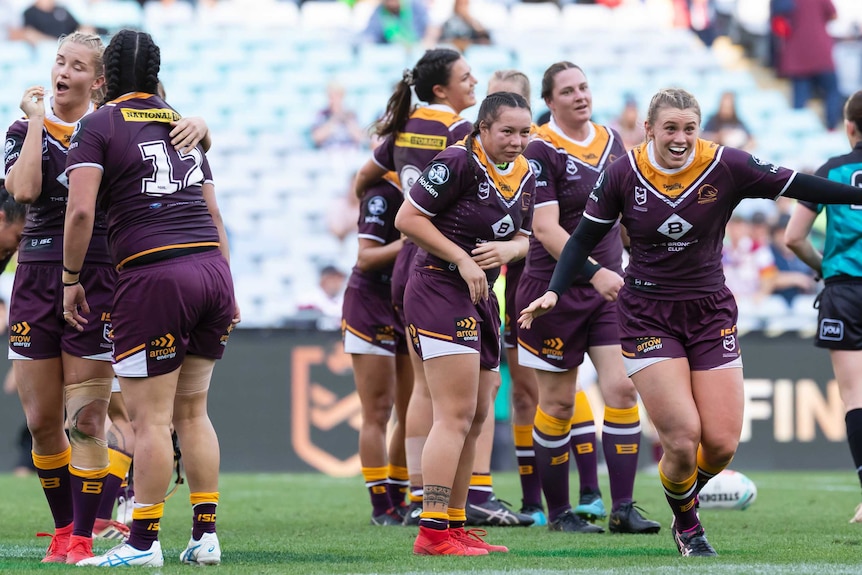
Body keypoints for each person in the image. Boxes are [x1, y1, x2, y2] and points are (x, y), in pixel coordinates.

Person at [519, 87, 862, 557]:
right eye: (670, 129)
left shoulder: (726, 164)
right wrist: (555, 290)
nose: (680, 138)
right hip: (646, 314)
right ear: (650, 130)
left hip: (710, 312)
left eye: (688, 128)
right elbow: (580, 240)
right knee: (682, 439)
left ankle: (684, 494)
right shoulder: (624, 172)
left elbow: (801, 184)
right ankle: (688, 524)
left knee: (719, 445)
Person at [63, 29, 237, 567]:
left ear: (105, 79)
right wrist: (227, 283)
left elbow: (81, 212)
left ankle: (142, 544)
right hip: (212, 269)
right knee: (193, 413)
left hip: (155, 275)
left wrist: (71, 278)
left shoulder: (98, 124)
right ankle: (205, 536)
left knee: (150, 421)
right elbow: (213, 213)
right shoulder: (181, 122)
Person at [516, 61, 659, 535]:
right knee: (556, 404)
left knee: (621, 387)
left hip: (608, 289)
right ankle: (559, 513)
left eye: (584, 87)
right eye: (568, 91)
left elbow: (624, 213)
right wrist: (596, 271)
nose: (580, 95)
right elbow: (544, 228)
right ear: (550, 101)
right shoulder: (541, 147)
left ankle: (622, 507)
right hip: (553, 292)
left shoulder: (611, 139)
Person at [5, 31, 128, 565]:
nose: (62, 72)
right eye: (59, 61)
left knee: (87, 417)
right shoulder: (20, 128)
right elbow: (25, 191)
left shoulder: (107, 128)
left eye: (76, 66)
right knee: (40, 420)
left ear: (97, 81)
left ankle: (81, 534)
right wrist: (35, 122)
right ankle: (63, 529)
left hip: (95, 273)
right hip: (33, 272)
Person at [396, 91, 535, 555]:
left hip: (479, 298)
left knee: (476, 415)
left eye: (524, 132)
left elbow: (524, 239)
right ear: (482, 129)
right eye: (507, 132)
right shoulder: (456, 161)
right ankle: (432, 531)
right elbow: (407, 218)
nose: (517, 141)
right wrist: (461, 257)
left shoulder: (526, 173)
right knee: (454, 414)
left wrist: (511, 251)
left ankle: (454, 525)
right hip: (438, 287)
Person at [784, 89, 862, 522]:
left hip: (846, 291)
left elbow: (793, 237)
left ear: (849, 126)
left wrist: (823, 268)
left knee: (855, 395)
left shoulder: (832, 170)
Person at [485, 69, 545, 527]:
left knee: (544, 393)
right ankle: (513, 496)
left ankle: (555, 495)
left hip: (540, 287)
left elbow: (541, 228)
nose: (516, 137)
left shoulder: (537, 157)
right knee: (510, 395)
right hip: (495, 290)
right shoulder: (463, 154)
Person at [342, 172, 411, 525]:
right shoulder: (382, 193)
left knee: (411, 409)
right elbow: (365, 257)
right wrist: (413, 238)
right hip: (370, 303)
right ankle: (380, 504)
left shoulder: (432, 185)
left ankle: (400, 498)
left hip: (411, 299)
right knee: (378, 410)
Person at [773, 0, 843, 129]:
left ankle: (800, 132)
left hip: (797, 54)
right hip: (820, 53)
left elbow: (777, 23)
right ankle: (831, 128)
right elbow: (833, 15)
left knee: (800, 99)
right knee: (832, 91)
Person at [309, 81, 367, 151]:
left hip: (349, 153)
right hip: (328, 153)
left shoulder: (351, 114)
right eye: (331, 96)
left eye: (337, 96)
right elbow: (316, 138)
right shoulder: (322, 114)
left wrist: (347, 120)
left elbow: (361, 138)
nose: (334, 100)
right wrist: (334, 119)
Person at [361, 0, 431, 46]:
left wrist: (428, 40)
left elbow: (430, 25)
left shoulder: (414, 5)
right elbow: (371, 34)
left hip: (417, 47)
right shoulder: (380, 11)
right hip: (394, 53)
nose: (391, 2)